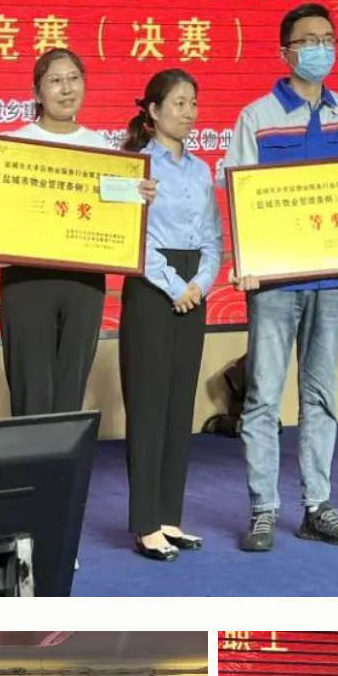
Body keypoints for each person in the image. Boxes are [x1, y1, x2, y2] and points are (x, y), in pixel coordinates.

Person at [224, 2, 338, 553]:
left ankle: (317, 506)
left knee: (321, 396)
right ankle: (263, 509)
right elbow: (238, 192)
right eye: (308, 41)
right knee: (262, 397)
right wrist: (246, 262)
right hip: (275, 282)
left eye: (328, 39)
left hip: (331, 280)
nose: (320, 49)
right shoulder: (257, 116)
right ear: (286, 52)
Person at [0, 47, 157, 417]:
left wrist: (139, 196)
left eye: (73, 79)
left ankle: (65, 457)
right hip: (26, 282)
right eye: (55, 81)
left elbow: (115, 216)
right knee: (31, 389)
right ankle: (32, 455)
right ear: (37, 93)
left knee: (70, 389)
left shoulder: (101, 149)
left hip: (83, 282)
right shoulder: (11, 148)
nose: (66, 89)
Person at [118, 69, 223, 559]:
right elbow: (130, 236)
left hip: (193, 288)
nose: (188, 112)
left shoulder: (202, 170)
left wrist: (200, 284)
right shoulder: (135, 166)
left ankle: (168, 517)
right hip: (151, 287)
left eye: (193, 103)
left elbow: (213, 238)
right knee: (148, 406)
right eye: (178, 103)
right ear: (154, 111)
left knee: (180, 406)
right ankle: (144, 523)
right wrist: (175, 286)